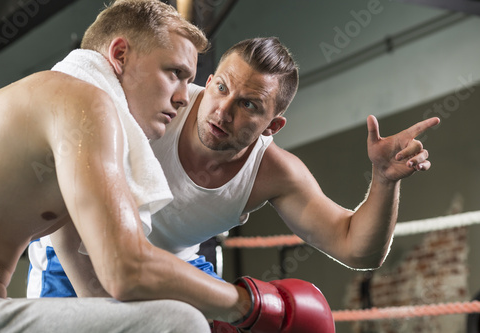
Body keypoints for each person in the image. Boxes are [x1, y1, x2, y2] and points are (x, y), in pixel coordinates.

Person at [28, 35, 439, 331]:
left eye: (248, 105)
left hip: (174, 268)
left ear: (272, 126)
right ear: (207, 83)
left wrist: (384, 181)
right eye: (221, 88)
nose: (222, 112)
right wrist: (108, 305)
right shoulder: (154, 107)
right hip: (76, 256)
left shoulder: (273, 172)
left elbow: (356, 248)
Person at [0, 0, 278, 332]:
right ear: (120, 55)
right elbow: (126, 270)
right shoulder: (86, 103)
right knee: (181, 322)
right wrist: (246, 304)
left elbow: (94, 290)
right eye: (175, 73)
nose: (183, 97)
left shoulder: (55, 102)